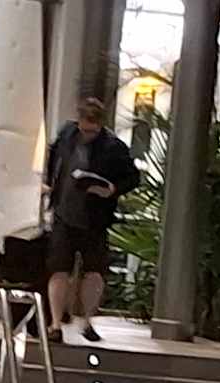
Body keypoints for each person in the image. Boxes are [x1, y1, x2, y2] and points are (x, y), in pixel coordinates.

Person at [42, 97, 139, 345]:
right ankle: (55, 323)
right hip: (64, 212)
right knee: (59, 268)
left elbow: (132, 177)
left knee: (94, 272)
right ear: (79, 121)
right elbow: (54, 157)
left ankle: (87, 320)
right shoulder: (67, 135)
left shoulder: (113, 147)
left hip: (95, 218)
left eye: (93, 132)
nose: (87, 135)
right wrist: (51, 184)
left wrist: (111, 189)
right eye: (84, 129)